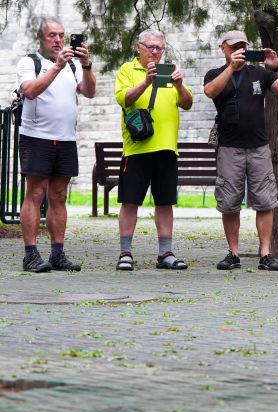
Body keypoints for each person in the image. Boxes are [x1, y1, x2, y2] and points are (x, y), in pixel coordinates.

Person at [203, 31, 278, 272]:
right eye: (234, 47)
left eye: (243, 47)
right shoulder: (215, 74)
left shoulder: (260, 73)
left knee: (264, 201)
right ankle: (233, 253)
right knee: (230, 202)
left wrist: (277, 68)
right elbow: (210, 92)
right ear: (223, 48)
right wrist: (231, 68)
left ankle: (265, 253)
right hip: (230, 148)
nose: (239, 50)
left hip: (258, 146)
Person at [14, 18, 96, 272]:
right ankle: (30, 255)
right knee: (35, 194)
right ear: (41, 38)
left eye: (61, 35)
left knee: (59, 196)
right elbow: (29, 91)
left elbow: (90, 92)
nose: (59, 40)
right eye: (52, 35)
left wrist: (86, 65)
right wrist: (56, 67)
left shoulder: (72, 65)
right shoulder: (30, 62)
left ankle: (58, 253)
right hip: (36, 136)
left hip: (66, 138)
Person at [114, 29, 193, 271]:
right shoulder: (128, 70)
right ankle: (125, 253)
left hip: (167, 149)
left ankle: (165, 253)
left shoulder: (169, 72)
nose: (155, 52)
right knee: (130, 202)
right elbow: (123, 98)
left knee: (165, 202)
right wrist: (146, 81)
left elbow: (187, 103)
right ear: (139, 47)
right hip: (137, 149)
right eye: (150, 47)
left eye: (159, 48)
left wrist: (179, 84)